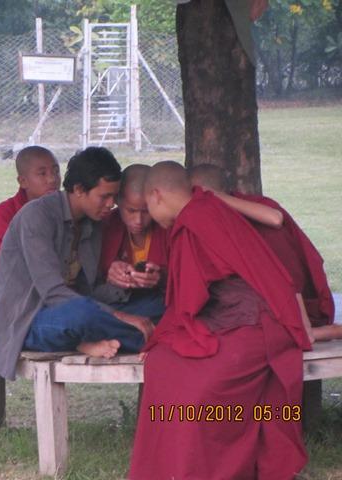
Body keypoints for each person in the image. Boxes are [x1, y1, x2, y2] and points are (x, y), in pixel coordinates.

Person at [129, 161, 311, 480]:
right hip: (236, 316)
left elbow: (188, 302)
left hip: (255, 323)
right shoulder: (203, 211)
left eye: (147, 208)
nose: (153, 221)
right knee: (161, 364)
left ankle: (197, 469)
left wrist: (163, 335)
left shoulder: (197, 217)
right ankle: (168, 468)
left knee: (196, 387)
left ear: (156, 195)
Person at [0, 147, 155, 381]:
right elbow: (53, 293)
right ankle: (154, 340)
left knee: (158, 305)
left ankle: (113, 337)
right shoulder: (36, 216)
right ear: (78, 190)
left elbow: (90, 290)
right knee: (82, 315)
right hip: (29, 318)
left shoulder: (93, 221)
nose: (110, 205)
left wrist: (124, 282)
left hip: (77, 307)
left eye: (113, 198)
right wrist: (122, 317)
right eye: (104, 196)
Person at [189, 163, 339, 341]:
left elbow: (275, 219)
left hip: (293, 297)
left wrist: (215, 197)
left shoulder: (251, 205)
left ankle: (311, 333)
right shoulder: (207, 218)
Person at [0, 146, 60, 314]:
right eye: (42, 174)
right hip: (8, 301)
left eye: (56, 171)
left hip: (54, 295)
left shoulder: (65, 210)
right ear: (23, 181)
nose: (52, 179)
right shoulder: (1, 217)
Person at [94, 164, 168, 318]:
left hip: (160, 301)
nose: (138, 220)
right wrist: (112, 274)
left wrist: (160, 277)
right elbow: (91, 279)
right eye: (131, 211)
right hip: (120, 300)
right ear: (118, 201)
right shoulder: (106, 225)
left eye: (146, 211)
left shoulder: (167, 225)